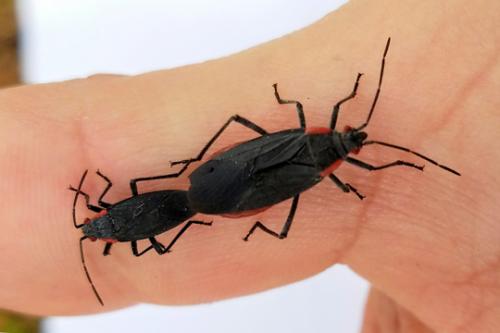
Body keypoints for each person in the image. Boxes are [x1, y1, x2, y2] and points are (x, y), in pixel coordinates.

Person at [0, 0, 497, 332]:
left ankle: (202, 175)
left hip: (237, 180)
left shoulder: (311, 137)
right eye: (349, 135)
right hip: (233, 188)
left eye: (351, 141)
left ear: (336, 141)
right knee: (274, 215)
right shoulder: (320, 154)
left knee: (273, 215)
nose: (353, 138)